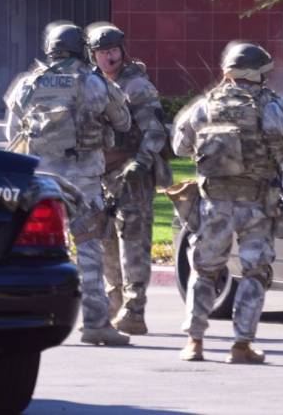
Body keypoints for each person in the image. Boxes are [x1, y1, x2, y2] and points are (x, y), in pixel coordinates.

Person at [172, 42, 283, 363]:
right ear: (259, 73)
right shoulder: (273, 106)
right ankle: (241, 345)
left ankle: (194, 342)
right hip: (258, 204)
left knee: (204, 270)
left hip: (214, 203)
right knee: (254, 272)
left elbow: (179, 146)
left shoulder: (205, 105)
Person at [4, 20, 132, 346]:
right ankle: (96, 324)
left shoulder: (26, 84)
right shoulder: (92, 82)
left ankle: (23, 320)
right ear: (80, 48)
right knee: (89, 248)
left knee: (29, 250)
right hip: (83, 179)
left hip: (41, 181)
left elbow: (11, 135)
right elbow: (124, 121)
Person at [84, 22, 171, 335]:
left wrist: (141, 163)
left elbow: (156, 131)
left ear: (122, 51)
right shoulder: (93, 84)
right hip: (102, 175)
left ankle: (134, 309)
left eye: (113, 50)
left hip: (132, 173)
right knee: (106, 238)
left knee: (133, 241)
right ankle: (114, 304)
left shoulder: (137, 86)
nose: (109, 57)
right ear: (92, 55)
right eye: (102, 52)